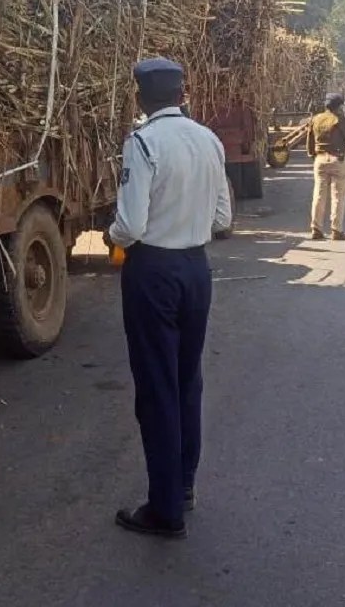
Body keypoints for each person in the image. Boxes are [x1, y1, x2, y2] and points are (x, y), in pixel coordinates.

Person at [107, 56, 231, 539]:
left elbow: (131, 226)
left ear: (140, 97)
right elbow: (222, 217)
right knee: (186, 380)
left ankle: (164, 512)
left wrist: (111, 233)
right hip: (196, 269)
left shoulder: (142, 142)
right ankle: (182, 487)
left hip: (153, 271)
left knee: (157, 387)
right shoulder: (209, 140)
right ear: (182, 94)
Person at [307, 93, 345, 241]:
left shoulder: (315, 119)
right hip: (338, 159)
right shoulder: (338, 119)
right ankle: (336, 230)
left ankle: (316, 228)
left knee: (319, 195)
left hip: (320, 159)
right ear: (339, 107)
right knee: (338, 196)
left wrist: (314, 156)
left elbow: (310, 144)